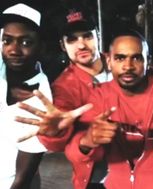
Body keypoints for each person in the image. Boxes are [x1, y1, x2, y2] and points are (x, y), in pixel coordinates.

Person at [15, 29, 153, 189]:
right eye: (120, 58)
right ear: (109, 61)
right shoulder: (99, 96)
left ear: (148, 61)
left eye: (136, 58)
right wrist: (87, 141)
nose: (128, 66)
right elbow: (75, 150)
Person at [39, 3, 112, 188]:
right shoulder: (63, 87)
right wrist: (54, 131)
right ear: (62, 45)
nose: (81, 45)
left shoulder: (124, 62)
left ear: (98, 36)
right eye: (72, 40)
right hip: (97, 177)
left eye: (87, 36)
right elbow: (56, 142)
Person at [0, 3, 53, 189]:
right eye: (7, 41)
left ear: (41, 47)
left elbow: (22, 179)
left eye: (25, 42)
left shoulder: (40, 100)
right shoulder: (2, 70)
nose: (14, 50)